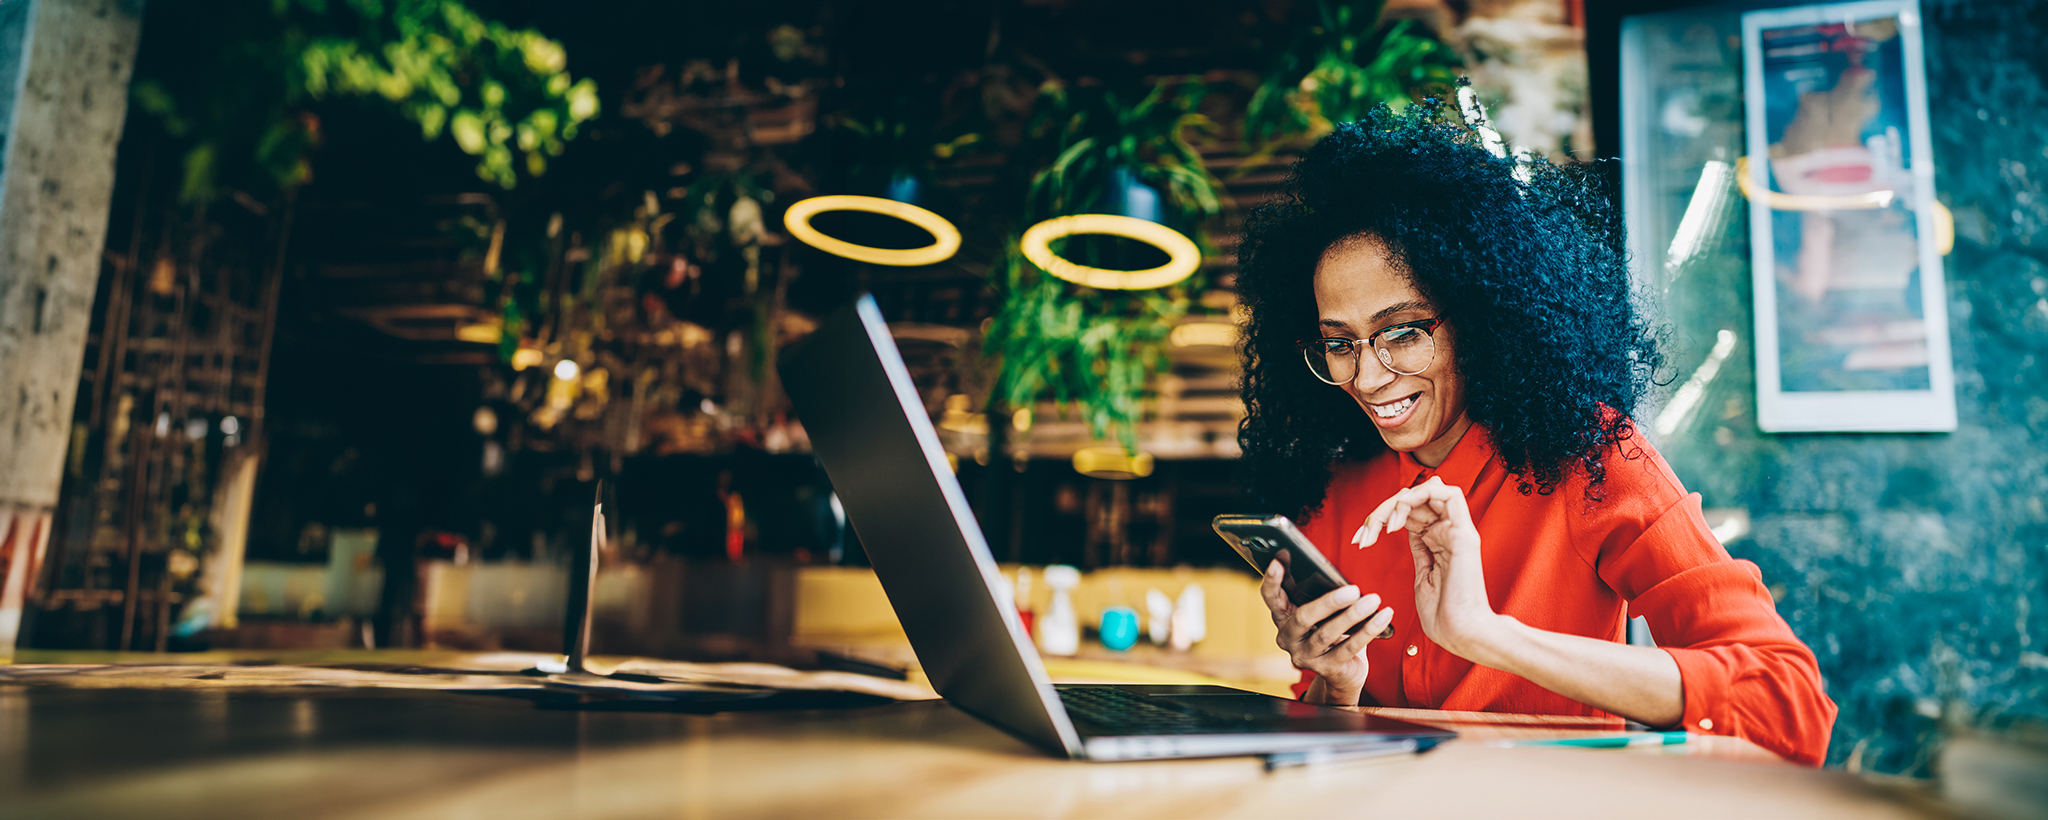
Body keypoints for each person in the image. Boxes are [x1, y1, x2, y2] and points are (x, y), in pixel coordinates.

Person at [1234, 101, 1837, 765]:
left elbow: (1789, 707)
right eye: (1339, 343)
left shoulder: (1588, 456)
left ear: (1483, 315)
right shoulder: (1335, 487)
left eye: (1403, 331)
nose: (1370, 377)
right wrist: (1335, 687)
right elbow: (1326, 743)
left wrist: (1488, 636)